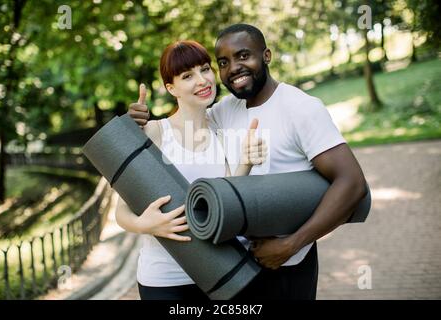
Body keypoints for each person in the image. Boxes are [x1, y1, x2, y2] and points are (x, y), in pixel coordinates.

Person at [129, 24, 368, 300]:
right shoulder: (222, 111)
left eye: (244, 56)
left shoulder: (301, 108)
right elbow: (187, 122)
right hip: (237, 264)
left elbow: (352, 182)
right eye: (223, 62)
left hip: (288, 261)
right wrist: (134, 124)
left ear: (266, 56)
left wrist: (290, 245)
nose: (234, 68)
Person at [115, 40, 267, 300]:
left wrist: (247, 162)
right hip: (165, 279)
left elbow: (227, 202)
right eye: (187, 76)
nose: (202, 80)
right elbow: (121, 212)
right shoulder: (154, 132)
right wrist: (145, 224)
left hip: (225, 270)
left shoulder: (223, 131)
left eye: (205, 69)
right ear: (171, 88)